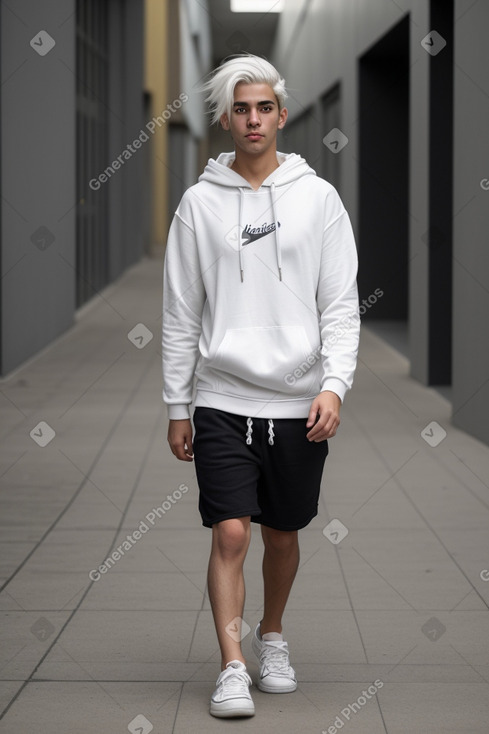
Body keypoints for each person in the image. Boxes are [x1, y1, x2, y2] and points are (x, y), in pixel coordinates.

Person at [162, 54, 360, 719]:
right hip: (220, 397)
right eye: (240, 108)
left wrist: (333, 384)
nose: (253, 119)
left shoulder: (317, 199)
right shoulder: (197, 205)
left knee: (280, 534)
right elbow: (180, 312)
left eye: (264, 107)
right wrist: (176, 403)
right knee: (231, 535)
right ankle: (232, 665)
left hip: (297, 402)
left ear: (280, 113)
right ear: (224, 118)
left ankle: (270, 635)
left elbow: (338, 303)